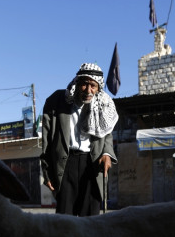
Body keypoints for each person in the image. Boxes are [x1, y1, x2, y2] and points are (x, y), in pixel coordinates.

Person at [40, 62, 118, 216]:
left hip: (92, 163)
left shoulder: (104, 103)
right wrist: (46, 171)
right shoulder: (56, 101)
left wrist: (107, 153)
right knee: (64, 221)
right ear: (77, 83)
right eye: (85, 84)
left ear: (98, 87)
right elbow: (46, 141)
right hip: (65, 163)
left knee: (90, 220)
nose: (89, 90)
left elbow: (107, 133)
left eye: (93, 86)